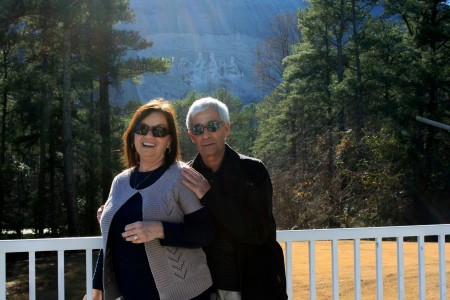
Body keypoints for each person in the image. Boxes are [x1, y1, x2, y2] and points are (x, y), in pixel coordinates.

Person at [84, 99, 214, 300]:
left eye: (159, 131)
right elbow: (110, 239)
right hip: (132, 293)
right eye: (142, 129)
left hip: (183, 293)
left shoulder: (181, 176)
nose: (149, 136)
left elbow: (206, 232)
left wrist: (160, 230)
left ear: (170, 141)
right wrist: (98, 286)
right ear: (133, 135)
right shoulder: (120, 182)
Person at [181, 97, 287, 300]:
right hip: (204, 289)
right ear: (191, 136)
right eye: (198, 129)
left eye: (213, 126)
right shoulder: (187, 176)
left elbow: (257, 232)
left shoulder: (253, 171)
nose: (206, 135)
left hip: (255, 287)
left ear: (227, 129)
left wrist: (208, 196)